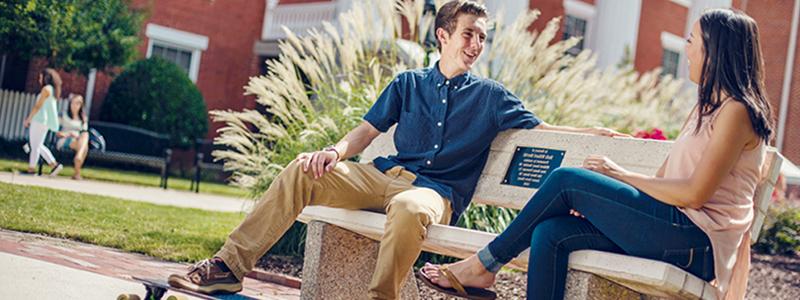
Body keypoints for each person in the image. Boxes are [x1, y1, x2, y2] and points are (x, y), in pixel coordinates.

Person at [168, 1, 625, 299]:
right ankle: (229, 264)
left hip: (434, 193)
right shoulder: (408, 83)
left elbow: (545, 131)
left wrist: (595, 133)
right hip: (382, 175)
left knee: (407, 207)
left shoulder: (492, 96)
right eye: (469, 34)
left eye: (483, 37)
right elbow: (365, 132)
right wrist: (334, 150)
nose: (477, 44)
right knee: (302, 169)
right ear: (443, 36)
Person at [419, 8, 773, 300]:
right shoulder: (706, 109)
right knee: (552, 232)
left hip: (697, 243)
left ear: (716, 49)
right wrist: (599, 203)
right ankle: (484, 268)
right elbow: (666, 181)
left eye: (693, 41)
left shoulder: (737, 112)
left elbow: (694, 194)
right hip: (672, 228)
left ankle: (484, 265)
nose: (688, 49)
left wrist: (616, 174)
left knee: (565, 179)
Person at [23, 68, 63, 176]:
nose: (39, 79)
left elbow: (38, 106)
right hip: (43, 121)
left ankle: (32, 169)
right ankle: (54, 165)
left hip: (39, 120)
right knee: (37, 145)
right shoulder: (52, 90)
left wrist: (28, 119)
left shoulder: (46, 89)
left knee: (35, 146)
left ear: (46, 77)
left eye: (41, 77)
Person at [56, 94, 90, 180]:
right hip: (65, 140)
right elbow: (56, 132)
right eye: (73, 103)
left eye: (78, 103)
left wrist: (77, 135)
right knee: (84, 147)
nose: (75, 105)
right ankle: (77, 172)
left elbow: (84, 132)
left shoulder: (83, 119)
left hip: (78, 140)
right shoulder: (63, 115)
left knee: (85, 136)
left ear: (81, 105)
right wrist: (69, 133)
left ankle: (78, 157)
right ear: (70, 104)